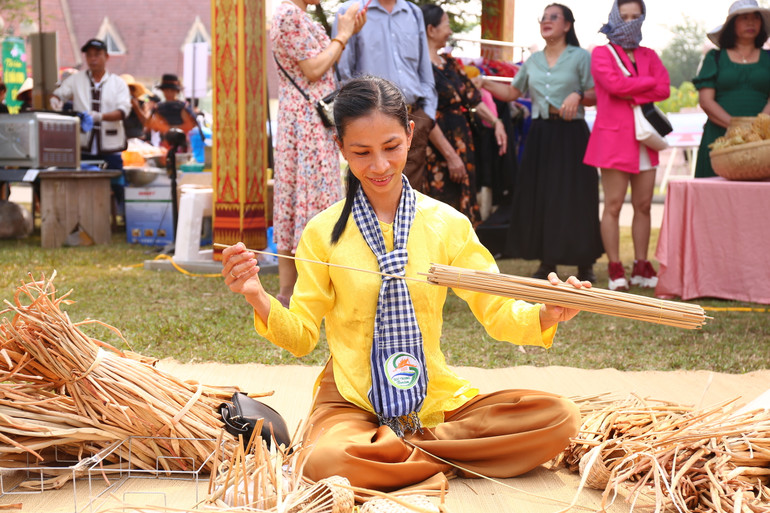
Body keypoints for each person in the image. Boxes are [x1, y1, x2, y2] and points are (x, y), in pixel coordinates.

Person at [221, 76, 589, 493]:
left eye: (391, 147)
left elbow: (497, 309)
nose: (379, 166)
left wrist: (546, 313)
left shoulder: (447, 224)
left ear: (411, 135)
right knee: (327, 460)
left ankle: (397, 452)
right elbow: (303, 336)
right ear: (340, 147)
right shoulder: (322, 232)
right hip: (351, 397)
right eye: (362, 152)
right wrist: (257, 295)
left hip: (430, 396)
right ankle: (444, 454)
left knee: (559, 417)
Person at [480, 4, 602, 282]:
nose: (546, 21)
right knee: (543, 196)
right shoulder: (533, 61)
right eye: (543, 17)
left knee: (578, 196)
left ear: (567, 25)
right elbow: (512, 93)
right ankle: (547, 261)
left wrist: (578, 95)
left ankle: (585, 264)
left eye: (553, 17)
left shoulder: (580, 57)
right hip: (541, 135)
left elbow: (595, 94)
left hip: (573, 135)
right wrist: (484, 83)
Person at [271, 0, 366, 308]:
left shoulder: (292, 14)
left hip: (302, 119)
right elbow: (313, 69)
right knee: (312, 198)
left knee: (296, 199)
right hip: (306, 122)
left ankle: (291, 293)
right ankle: (304, 291)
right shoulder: (290, 15)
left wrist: (348, 33)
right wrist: (343, 34)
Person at [583, 0, 670, 291]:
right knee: (613, 204)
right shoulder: (601, 53)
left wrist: (632, 86)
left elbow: (664, 88)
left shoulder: (649, 54)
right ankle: (615, 267)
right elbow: (614, 86)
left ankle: (642, 266)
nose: (630, 22)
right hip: (613, 139)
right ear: (614, 17)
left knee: (644, 205)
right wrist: (646, 84)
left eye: (636, 16)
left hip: (646, 138)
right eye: (624, 16)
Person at [333, 0, 448, 195]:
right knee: (371, 197)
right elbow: (342, 76)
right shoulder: (350, 11)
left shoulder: (413, 13)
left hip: (413, 118)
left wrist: (427, 115)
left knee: (411, 198)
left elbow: (424, 72)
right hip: (367, 125)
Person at [421, 4, 507, 227]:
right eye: (446, 25)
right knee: (441, 211)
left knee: (462, 211)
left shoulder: (450, 63)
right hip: (438, 149)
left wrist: (496, 122)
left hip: (461, 144)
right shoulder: (419, 67)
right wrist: (450, 156)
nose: (450, 31)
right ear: (431, 29)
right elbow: (425, 115)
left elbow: (473, 97)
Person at [51, 39, 131, 213]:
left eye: (97, 55)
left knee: (118, 185)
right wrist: (56, 100)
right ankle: (81, 216)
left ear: (106, 57)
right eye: (89, 55)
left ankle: (125, 218)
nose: (93, 59)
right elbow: (60, 93)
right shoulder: (76, 79)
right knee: (80, 184)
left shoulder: (118, 83)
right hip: (83, 144)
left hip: (110, 145)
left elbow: (123, 111)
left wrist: (100, 117)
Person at [693, 0, 770, 178]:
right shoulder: (714, 57)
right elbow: (706, 101)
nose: (751, 22)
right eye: (744, 18)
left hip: (763, 140)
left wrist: (756, 130)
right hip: (719, 136)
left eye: (756, 18)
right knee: (713, 191)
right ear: (732, 25)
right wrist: (737, 128)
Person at [120, 74, 150, 140]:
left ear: (133, 90)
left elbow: (146, 122)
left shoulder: (142, 103)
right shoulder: (117, 104)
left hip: (137, 139)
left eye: (128, 89)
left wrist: (136, 108)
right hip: (121, 139)